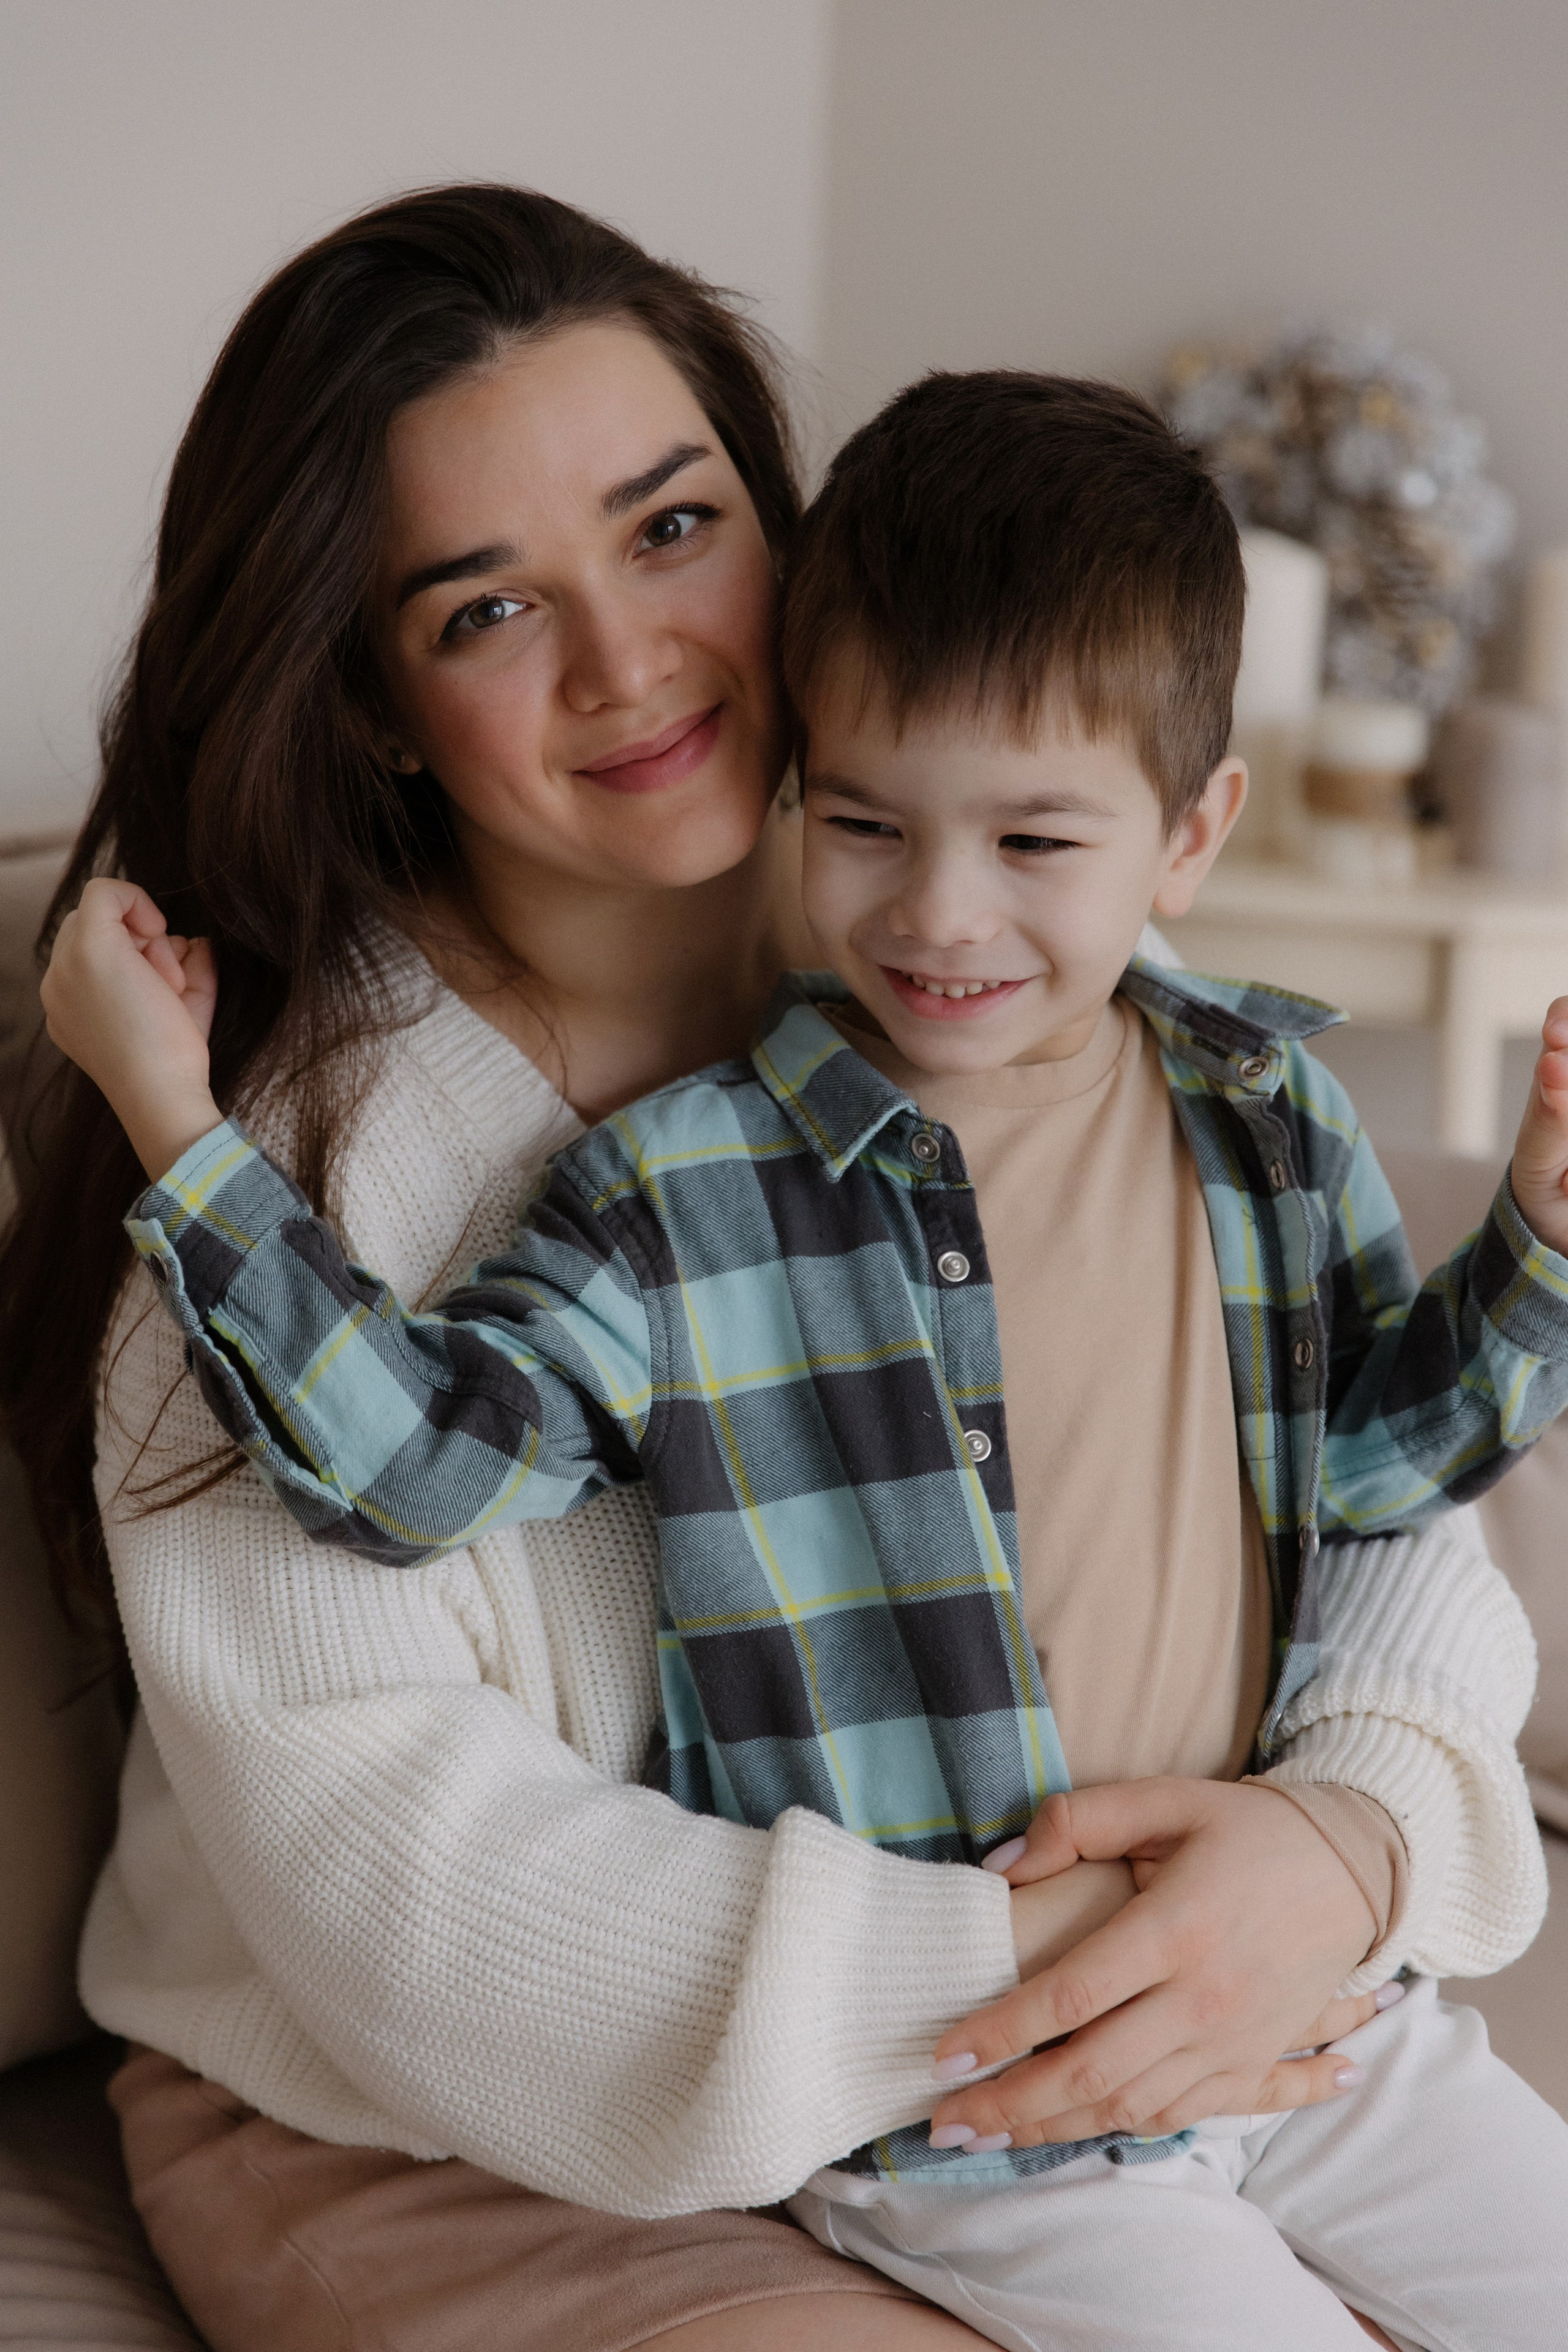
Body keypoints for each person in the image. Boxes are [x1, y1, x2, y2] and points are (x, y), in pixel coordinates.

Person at [10, 188, 1542, 2352]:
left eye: (668, 529)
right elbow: (419, 1907)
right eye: (480, 611)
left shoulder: (988, 922)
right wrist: (1075, 1964)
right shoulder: (294, 1192)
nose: (630, 662)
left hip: (1110, 2020)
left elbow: (1340, 1467)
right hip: (439, 2118)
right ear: (366, 694)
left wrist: (1349, 1847)